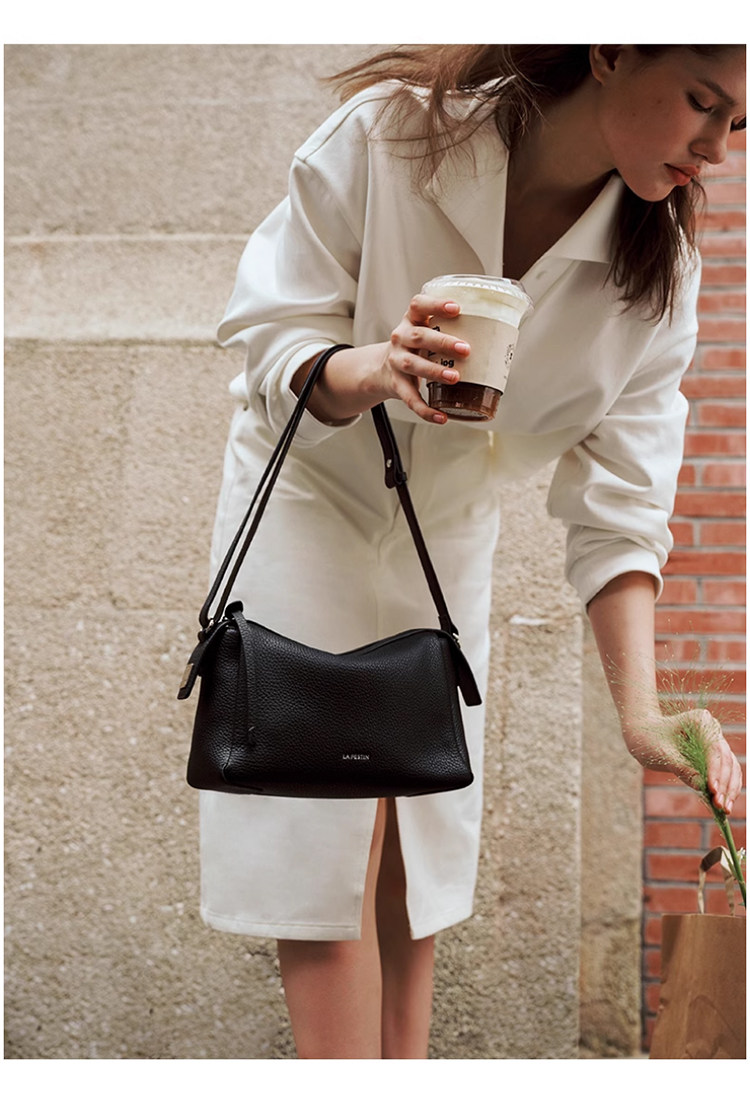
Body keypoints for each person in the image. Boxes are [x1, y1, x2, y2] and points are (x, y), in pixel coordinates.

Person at [200, 45, 746, 1058]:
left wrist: (642, 714)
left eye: (739, 124)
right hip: (312, 509)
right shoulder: (390, 136)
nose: (715, 148)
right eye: (701, 102)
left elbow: (622, 507)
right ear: (611, 52)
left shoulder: (658, 275)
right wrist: (376, 366)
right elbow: (272, 336)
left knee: (413, 847)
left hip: (442, 541)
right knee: (328, 846)